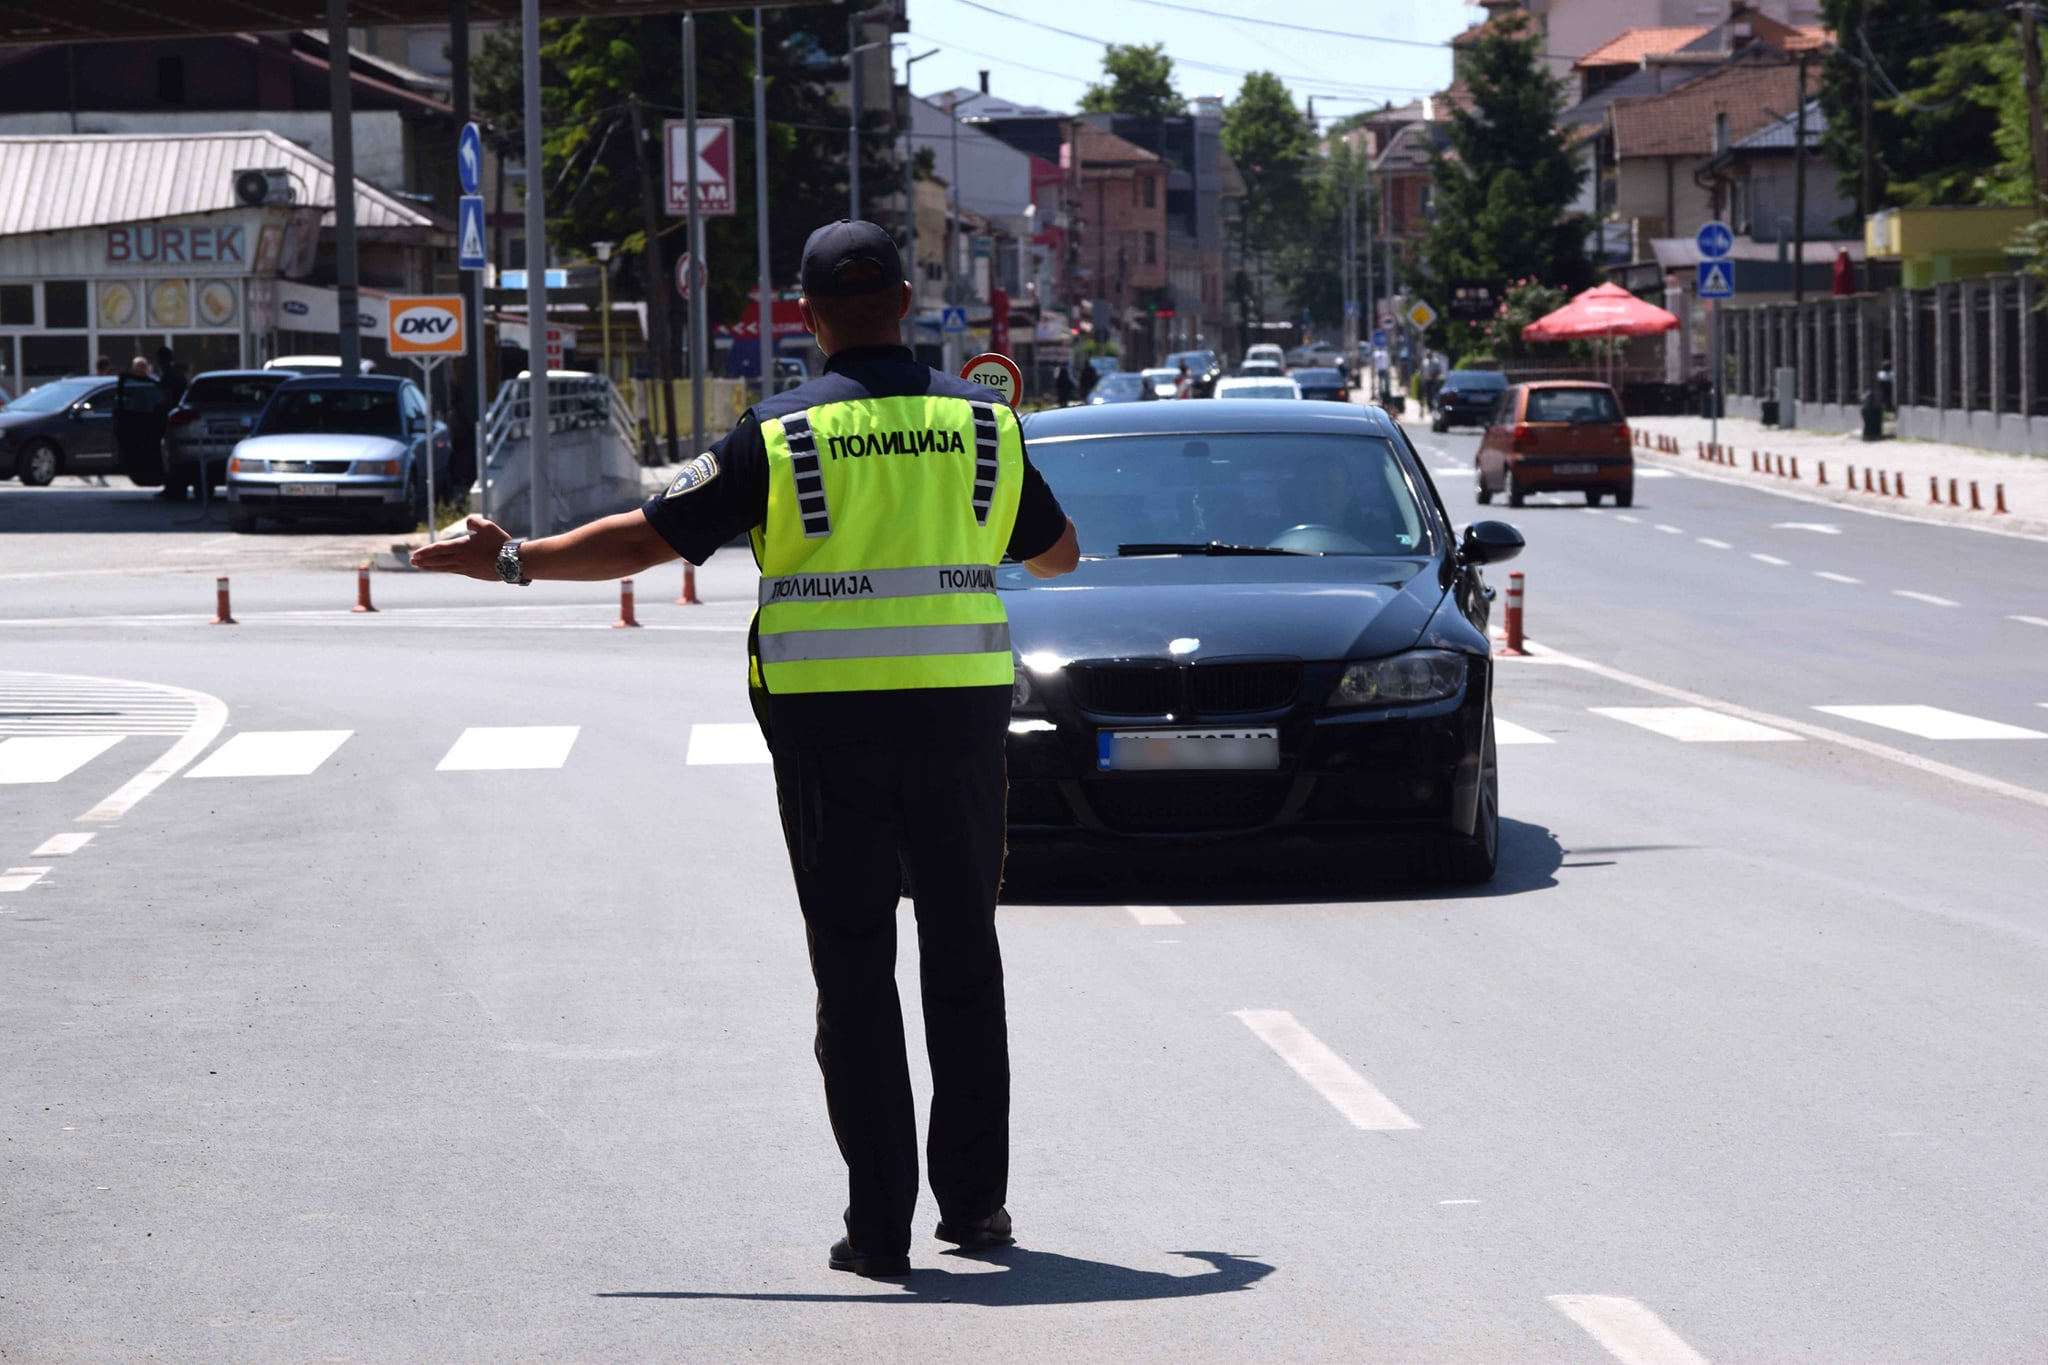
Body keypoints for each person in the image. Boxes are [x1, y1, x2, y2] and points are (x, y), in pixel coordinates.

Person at [410, 219, 1080, 1280]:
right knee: (962, 958)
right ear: (906, 301)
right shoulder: (983, 427)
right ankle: (977, 1209)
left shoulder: (776, 436)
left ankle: (877, 1231)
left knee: (854, 969)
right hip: (957, 725)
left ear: (807, 318)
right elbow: (1056, 553)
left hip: (826, 734)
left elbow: (646, 535)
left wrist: (511, 561)